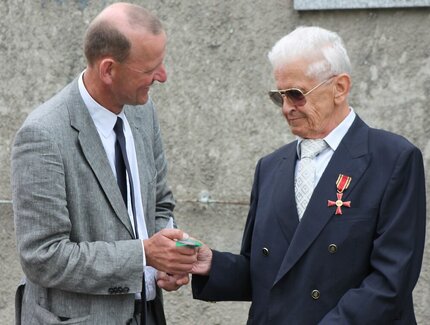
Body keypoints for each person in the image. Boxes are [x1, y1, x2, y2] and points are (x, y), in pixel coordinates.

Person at [191, 26, 426, 324]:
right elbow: (269, 272)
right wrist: (212, 264)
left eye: (296, 95)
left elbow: (391, 281)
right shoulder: (270, 167)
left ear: (339, 87)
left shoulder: (393, 158)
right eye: (279, 97)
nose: (286, 108)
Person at [11, 3, 194, 325]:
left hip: (150, 313)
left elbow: (160, 204)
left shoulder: (142, 111)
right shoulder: (43, 135)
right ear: (108, 70)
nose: (162, 77)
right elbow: (43, 257)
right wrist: (144, 255)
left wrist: (170, 255)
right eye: (150, 68)